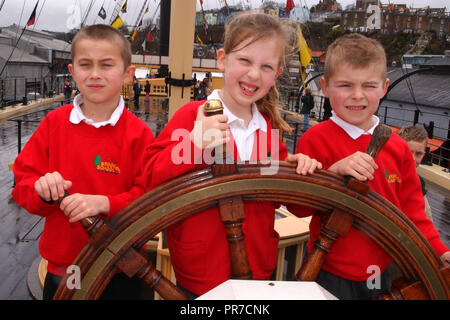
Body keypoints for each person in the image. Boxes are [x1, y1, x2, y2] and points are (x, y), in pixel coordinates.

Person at [143, 13, 322, 298]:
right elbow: (151, 179)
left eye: (265, 67)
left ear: (276, 74)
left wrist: (301, 170)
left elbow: (286, 199)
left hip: (258, 271)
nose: (253, 74)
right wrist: (194, 143)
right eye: (245, 61)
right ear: (223, 59)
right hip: (201, 273)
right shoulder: (191, 117)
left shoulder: (269, 128)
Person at [292, 33, 450, 300]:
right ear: (326, 87)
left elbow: (413, 210)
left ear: (384, 86)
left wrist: (439, 249)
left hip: (380, 270)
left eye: (368, 86)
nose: (357, 95)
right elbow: (298, 207)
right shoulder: (314, 139)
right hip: (327, 269)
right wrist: (332, 174)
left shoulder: (398, 147)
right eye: (345, 85)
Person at [12, 24, 155, 300]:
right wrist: (42, 191)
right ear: (73, 71)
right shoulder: (54, 124)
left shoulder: (140, 135)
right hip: (66, 269)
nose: (95, 74)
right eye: (86, 64)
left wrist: (105, 203)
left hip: (122, 267)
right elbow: (23, 182)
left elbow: (150, 200)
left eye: (106, 64)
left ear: (128, 74)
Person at [397, 125, 433, 220]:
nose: (412, 158)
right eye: (408, 151)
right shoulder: (383, 175)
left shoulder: (419, 183)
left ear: (423, 154)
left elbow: (426, 217)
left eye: (418, 154)